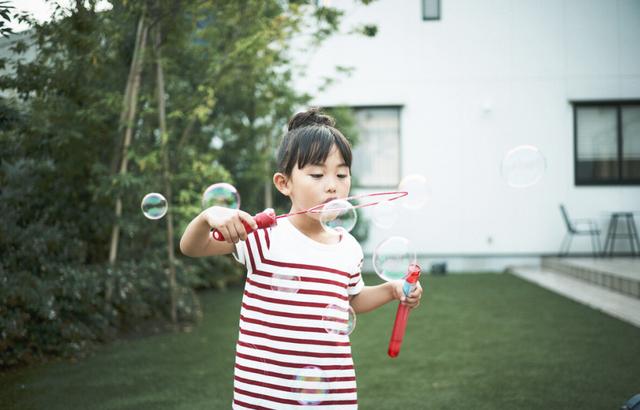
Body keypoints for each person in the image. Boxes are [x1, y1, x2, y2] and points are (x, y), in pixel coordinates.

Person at [180, 107, 423, 409]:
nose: (333, 184)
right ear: (284, 183)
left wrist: (391, 290)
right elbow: (193, 247)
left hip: (332, 394)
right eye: (318, 174)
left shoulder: (348, 248)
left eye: (342, 173)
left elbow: (352, 300)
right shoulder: (264, 237)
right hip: (265, 395)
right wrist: (208, 217)